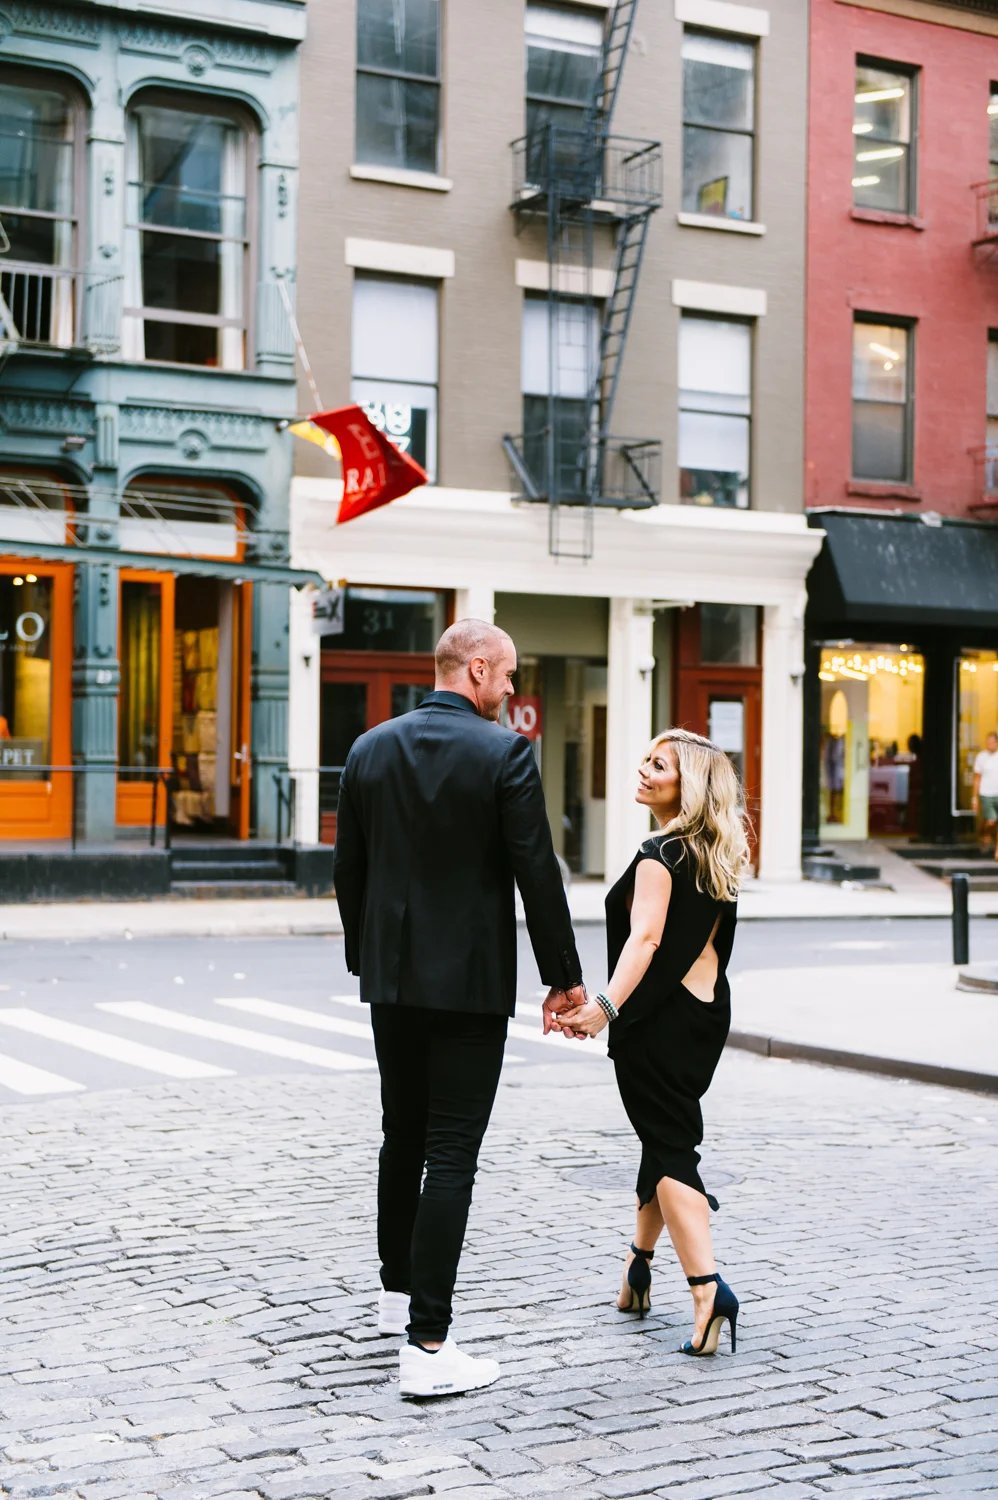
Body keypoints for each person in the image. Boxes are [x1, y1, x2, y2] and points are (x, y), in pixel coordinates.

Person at [333, 619, 585, 1398]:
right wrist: (564, 980)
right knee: (450, 1153)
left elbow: (350, 872)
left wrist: (365, 957)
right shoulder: (504, 753)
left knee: (399, 1136)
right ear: (476, 669)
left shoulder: (368, 749)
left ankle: (394, 1296)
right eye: (507, 676)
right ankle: (429, 1346)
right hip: (469, 988)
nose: (512, 691)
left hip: (392, 982)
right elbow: (536, 873)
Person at [555, 728, 749, 1356]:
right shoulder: (712, 854)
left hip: (656, 1024)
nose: (643, 770)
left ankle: (706, 1287)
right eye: (645, 759)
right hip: (703, 1018)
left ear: (686, 785)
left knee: (670, 1149)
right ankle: (638, 1270)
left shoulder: (658, 856)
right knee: (662, 1139)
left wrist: (605, 1008)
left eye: (658, 765)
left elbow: (646, 940)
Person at [971, 731, 998, 857]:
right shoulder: (981, 757)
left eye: (991, 742)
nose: (989, 744)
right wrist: (974, 797)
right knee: (991, 821)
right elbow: (977, 778)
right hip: (986, 793)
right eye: (987, 742)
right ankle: (984, 834)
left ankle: (997, 851)